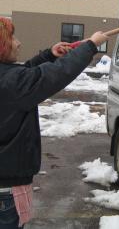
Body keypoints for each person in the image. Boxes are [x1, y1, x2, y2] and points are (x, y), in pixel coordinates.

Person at [0, 17, 108, 228]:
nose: (19, 43)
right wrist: (90, 46)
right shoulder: (12, 82)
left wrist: (48, 55)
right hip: (5, 191)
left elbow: (24, 77)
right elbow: (54, 75)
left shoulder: (10, 80)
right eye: (12, 38)